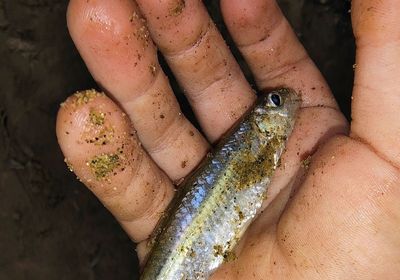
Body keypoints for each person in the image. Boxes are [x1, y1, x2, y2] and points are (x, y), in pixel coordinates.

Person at [56, 0, 400, 278]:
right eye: (274, 103)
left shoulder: (263, 142)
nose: (284, 100)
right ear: (263, 123)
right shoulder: (255, 140)